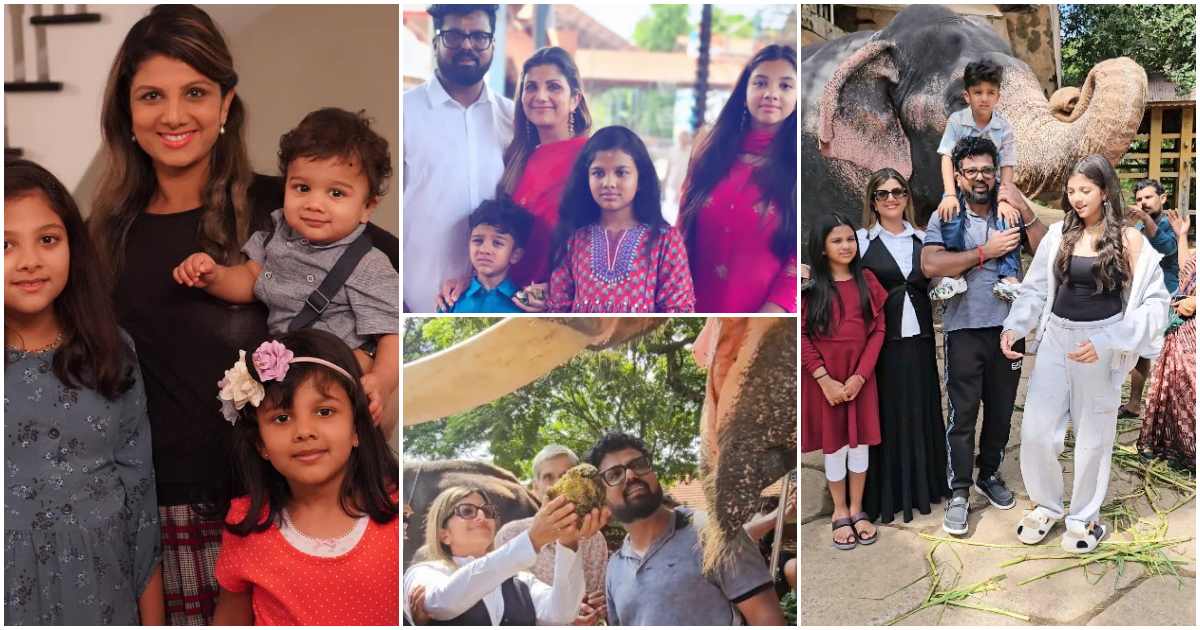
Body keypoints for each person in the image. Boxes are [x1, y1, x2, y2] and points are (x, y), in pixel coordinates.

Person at [4, 159, 163, 625]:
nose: (30, 260)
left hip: (99, 593)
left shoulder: (110, 351)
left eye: (48, 239)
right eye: (5, 244)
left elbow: (140, 497)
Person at [172, 108, 399, 424]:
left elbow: (391, 333)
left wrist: (384, 380)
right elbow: (251, 279)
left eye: (336, 193)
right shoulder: (277, 237)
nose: (314, 204)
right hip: (292, 373)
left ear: (367, 207)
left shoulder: (369, 265)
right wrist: (214, 275)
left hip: (340, 377)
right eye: (302, 188)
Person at [1002, 155, 1170, 552]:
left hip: (1100, 343)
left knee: (1094, 437)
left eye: (1086, 191)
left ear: (1105, 191)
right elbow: (1036, 287)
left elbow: (1154, 304)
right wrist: (1016, 324)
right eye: (1072, 191)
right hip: (1058, 338)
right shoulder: (1059, 233)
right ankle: (1046, 504)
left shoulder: (1130, 240)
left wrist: (1112, 340)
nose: (1077, 198)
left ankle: (1084, 518)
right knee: (1037, 430)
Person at [211, 329, 400, 624]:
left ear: (355, 429)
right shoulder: (247, 524)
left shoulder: (399, 518)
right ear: (260, 443)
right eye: (282, 418)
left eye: (324, 412)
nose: (304, 431)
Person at [921, 136, 1047, 537]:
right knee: (962, 413)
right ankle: (959, 490)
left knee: (1001, 408)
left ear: (997, 174)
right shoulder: (945, 215)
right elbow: (930, 263)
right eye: (971, 170)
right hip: (963, 330)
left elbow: (1046, 247)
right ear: (958, 175)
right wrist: (985, 252)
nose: (980, 178)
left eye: (987, 170)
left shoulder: (1008, 212)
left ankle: (988, 473)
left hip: (1008, 330)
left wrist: (1021, 202)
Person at [438, 45, 593, 312]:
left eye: (553, 87)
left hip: (565, 304)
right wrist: (474, 279)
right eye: (531, 87)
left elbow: (608, 240)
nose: (540, 96)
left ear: (575, 99)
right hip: (508, 300)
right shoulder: (517, 159)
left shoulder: (592, 158)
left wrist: (560, 291)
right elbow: (500, 231)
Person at [588, 433, 785, 625]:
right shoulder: (615, 568)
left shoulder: (714, 533)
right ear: (601, 495)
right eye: (615, 474)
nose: (630, 475)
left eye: (638, 464)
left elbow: (767, 618)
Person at [855, 169, 950, 524]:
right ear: (873, 201)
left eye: (898, 191)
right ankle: (892, 494)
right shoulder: (861, 242)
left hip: (922, 340)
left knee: (924, 407)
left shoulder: (924, 239)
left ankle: (927, 487)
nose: (891, 198)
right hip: (881, 344)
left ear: (907, 197)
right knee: (889, 413)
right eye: (882, 194)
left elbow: (940, 281)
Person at [405, 4, 513, 313]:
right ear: (436, 41)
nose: (467, 45)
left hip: (493, 302)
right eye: (454, 35)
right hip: (416, 300)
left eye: (479, 36)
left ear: (493, 43)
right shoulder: (405, 112)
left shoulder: (511, 118)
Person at [679, 44, 797, 313]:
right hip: (694, 307)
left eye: (785, 86)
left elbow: (798, 255)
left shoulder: (797, 167)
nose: (771, 94)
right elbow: (683, 230)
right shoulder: (709, 154)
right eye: (761, 83)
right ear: (744, 93)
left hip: (765, 319)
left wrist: (770, 317)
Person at [801, 213, 886, 549]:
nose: (845, 245)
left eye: (850, 239)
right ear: (822, 248)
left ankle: (857, 507)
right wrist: (824, 379)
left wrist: (860, 377)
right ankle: (839, 511)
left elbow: (878, 329)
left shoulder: (868, 281)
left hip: (859, 376)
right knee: (834, 446)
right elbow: (802, 335)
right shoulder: (810, 289)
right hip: (825, 380)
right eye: (836, 240)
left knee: (859, 444)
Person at [402, 486, 603, 625]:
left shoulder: (521, 580)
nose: (482, 516)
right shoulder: (423, 572)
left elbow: (562, 613)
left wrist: (568, 542)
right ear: (443, 534)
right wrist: (532, 539)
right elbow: (441, 603)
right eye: (467, 511)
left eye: (487, 512)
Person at [546, 125, 695, 313]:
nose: (609, 183)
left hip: (641, 341)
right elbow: (557, 310)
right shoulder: (573, 238)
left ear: (640, 180)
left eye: (621, 172)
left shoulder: (665, 241)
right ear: (587, 179)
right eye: (598, 173)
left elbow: (678, 309)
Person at [933, 60, 1023, 303]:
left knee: (1009, 217)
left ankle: (1008, 276)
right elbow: (946, 157)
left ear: (998, 96)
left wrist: (1004, 198)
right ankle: (955, 273)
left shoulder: (1003, 127)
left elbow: (1007, 165)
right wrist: (950, 193)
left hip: (992, 186)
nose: (984, 98)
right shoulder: (957, 121)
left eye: (990, 92)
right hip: (962, 185)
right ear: (967, 95)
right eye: (978, 92)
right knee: (951, 215)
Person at [493, 445, 610, 625]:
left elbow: (598, 596)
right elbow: (508, 604)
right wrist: (564, 615)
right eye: (548, 477)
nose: (558, 484)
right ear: (535, 488)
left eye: (566, 476)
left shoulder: (594, 538)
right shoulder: (511, 536)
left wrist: (596, 607)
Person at [1138, 208, 1195, 469]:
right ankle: (1175, 446)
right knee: (1172, 389)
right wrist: (1182, 236)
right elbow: (1187, 272)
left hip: (1193, 336)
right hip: (1180, 330)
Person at [1119, 178, 1180, 419]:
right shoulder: (1141, 228)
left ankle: (1167, 410)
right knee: (1141, 351)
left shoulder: (1168, 225)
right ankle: (1135, 404)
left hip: (1168, 296)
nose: (1143, 203)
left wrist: (1143, 219)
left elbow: (1166, 248)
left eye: (1148, 197)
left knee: (1167, 355)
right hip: (1144, 295)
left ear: (1162, 198)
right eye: (1139, 199)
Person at [448, 198, 535, 313]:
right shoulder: (451, 299)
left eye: (497, 243)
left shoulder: (526, 304)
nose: (484, 250)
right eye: (478, 240)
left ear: (515, 255)